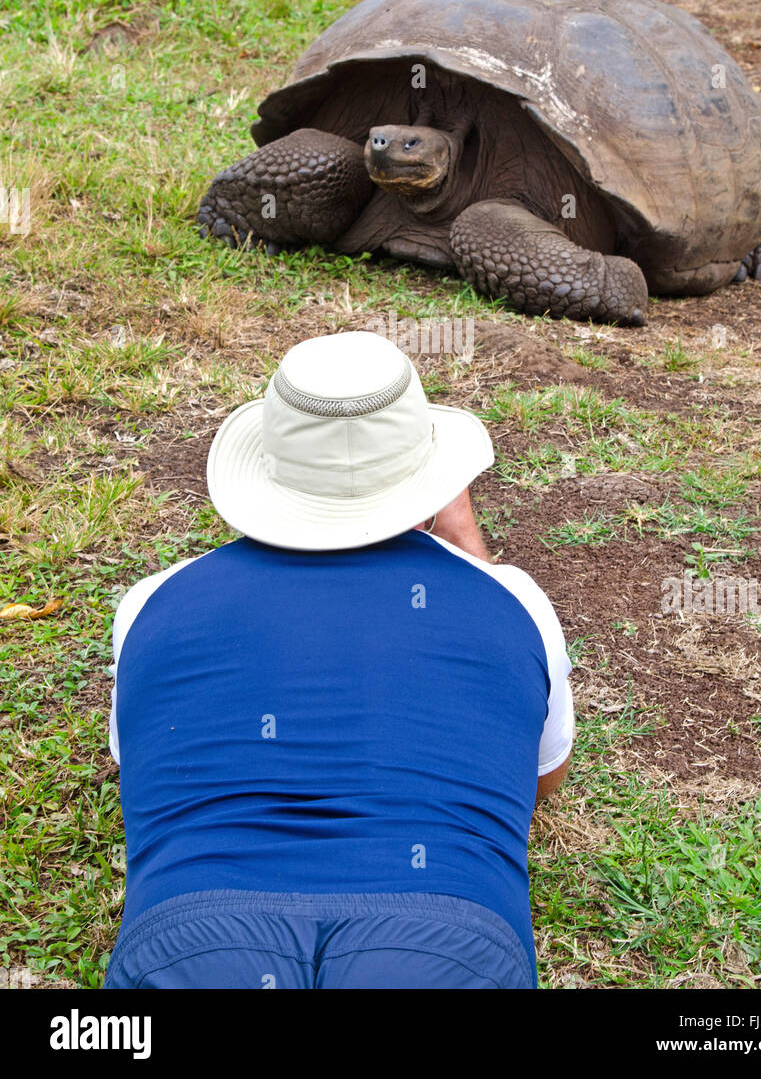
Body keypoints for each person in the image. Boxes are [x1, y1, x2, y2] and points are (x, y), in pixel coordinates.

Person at [104, 331, 574, 990]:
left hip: (195, 943)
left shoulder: (149, 605)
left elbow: (145, 774)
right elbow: (538, 781)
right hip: (441, 942)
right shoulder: (516, 604)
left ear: (269, 466)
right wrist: (470, 556)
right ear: (434, 482)